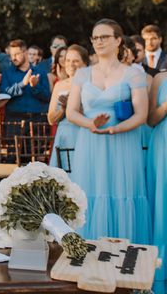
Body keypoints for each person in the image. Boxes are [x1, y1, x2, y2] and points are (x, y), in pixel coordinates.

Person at [66, 19, 151, 243]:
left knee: (123, 194)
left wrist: (114, 129)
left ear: (118, 41)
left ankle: (126, 262)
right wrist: (90, 124)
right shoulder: (82, 74)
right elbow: (71, 112)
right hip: (90, 141)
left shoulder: (133, 74)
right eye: (95, 38)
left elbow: (141, 114)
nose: (99, 41)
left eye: (104, 37)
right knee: (89, 195)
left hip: (123, 141)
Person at [48, 45, 89, 173]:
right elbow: (50, 119)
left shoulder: (90, 84)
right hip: (64, 135)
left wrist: (74, 106)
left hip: (83, 134)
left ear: (85, 63)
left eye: (75, 61)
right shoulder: (60, 85)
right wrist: (63, 109)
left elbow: (92, 116)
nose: (71, 64)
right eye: (68, 60)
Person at [147, 70, 167, 283]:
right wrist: (165, 107)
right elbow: (150, 119)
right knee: (163, 205)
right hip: (163, 147)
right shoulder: (160, 79)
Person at [0, 39, 51, 124]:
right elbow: (3, 95)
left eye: (16, 54)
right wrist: (22, 84)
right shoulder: (7, 73)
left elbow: (47, 97)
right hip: (14, 120)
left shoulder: (40, 72)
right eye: (11, 55)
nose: (13, 58)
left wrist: (35, 86)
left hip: (37, 120)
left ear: (25, 53)